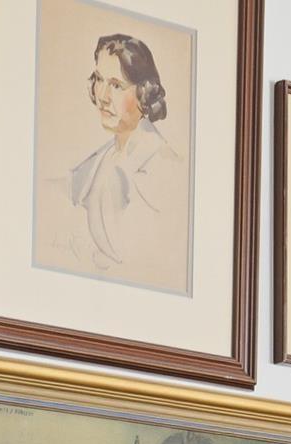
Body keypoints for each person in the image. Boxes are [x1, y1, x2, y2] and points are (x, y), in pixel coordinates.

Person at [57, 34, 188, 292]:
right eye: (99, 80)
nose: (103, 96)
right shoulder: (91, 166)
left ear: (144, 93)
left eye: (116, 85)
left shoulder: (166, 168)